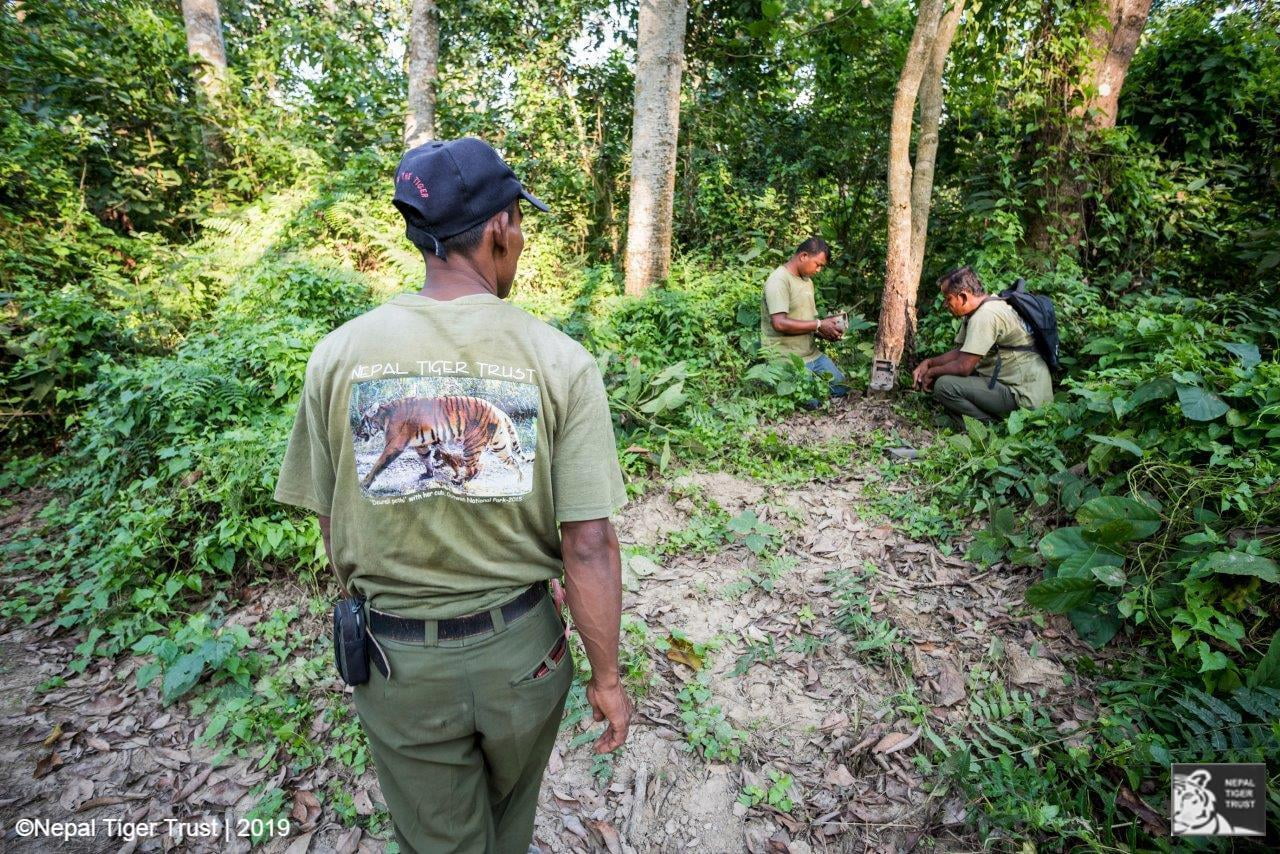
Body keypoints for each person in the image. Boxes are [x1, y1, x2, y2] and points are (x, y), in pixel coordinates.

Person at [273, 137, 632, 854]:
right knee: (509, 820)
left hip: (399, 662)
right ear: (500, 228)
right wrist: (609, 678)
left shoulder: (338, 354)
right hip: (524, 656)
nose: (521, 242)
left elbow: (329, 512)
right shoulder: (560, 359)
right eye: (519, 226)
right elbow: (587, 543)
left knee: (438, 838)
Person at [912, 266, 1053, 423]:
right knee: (949, 377)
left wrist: (932, 373)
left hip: (1023, 395)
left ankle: (989, 426)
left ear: (963, 296)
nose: (946, 304)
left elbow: (964, 367)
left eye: (948, 298)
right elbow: (962, 352)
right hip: (1023, 387)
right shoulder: (988, 305)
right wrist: (929, 363)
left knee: (944, 386)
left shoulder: (985, 315)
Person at [759, 237, 848, 399]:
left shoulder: (807, 281)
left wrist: (826, 332)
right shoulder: (779, 280)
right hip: (786, 358)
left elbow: (810, 323)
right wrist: (819, 324)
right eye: (818, 264)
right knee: (811, 401)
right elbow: (779, 323)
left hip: (812, 355)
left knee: (842, 388)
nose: (819, 270)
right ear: (803, 256)